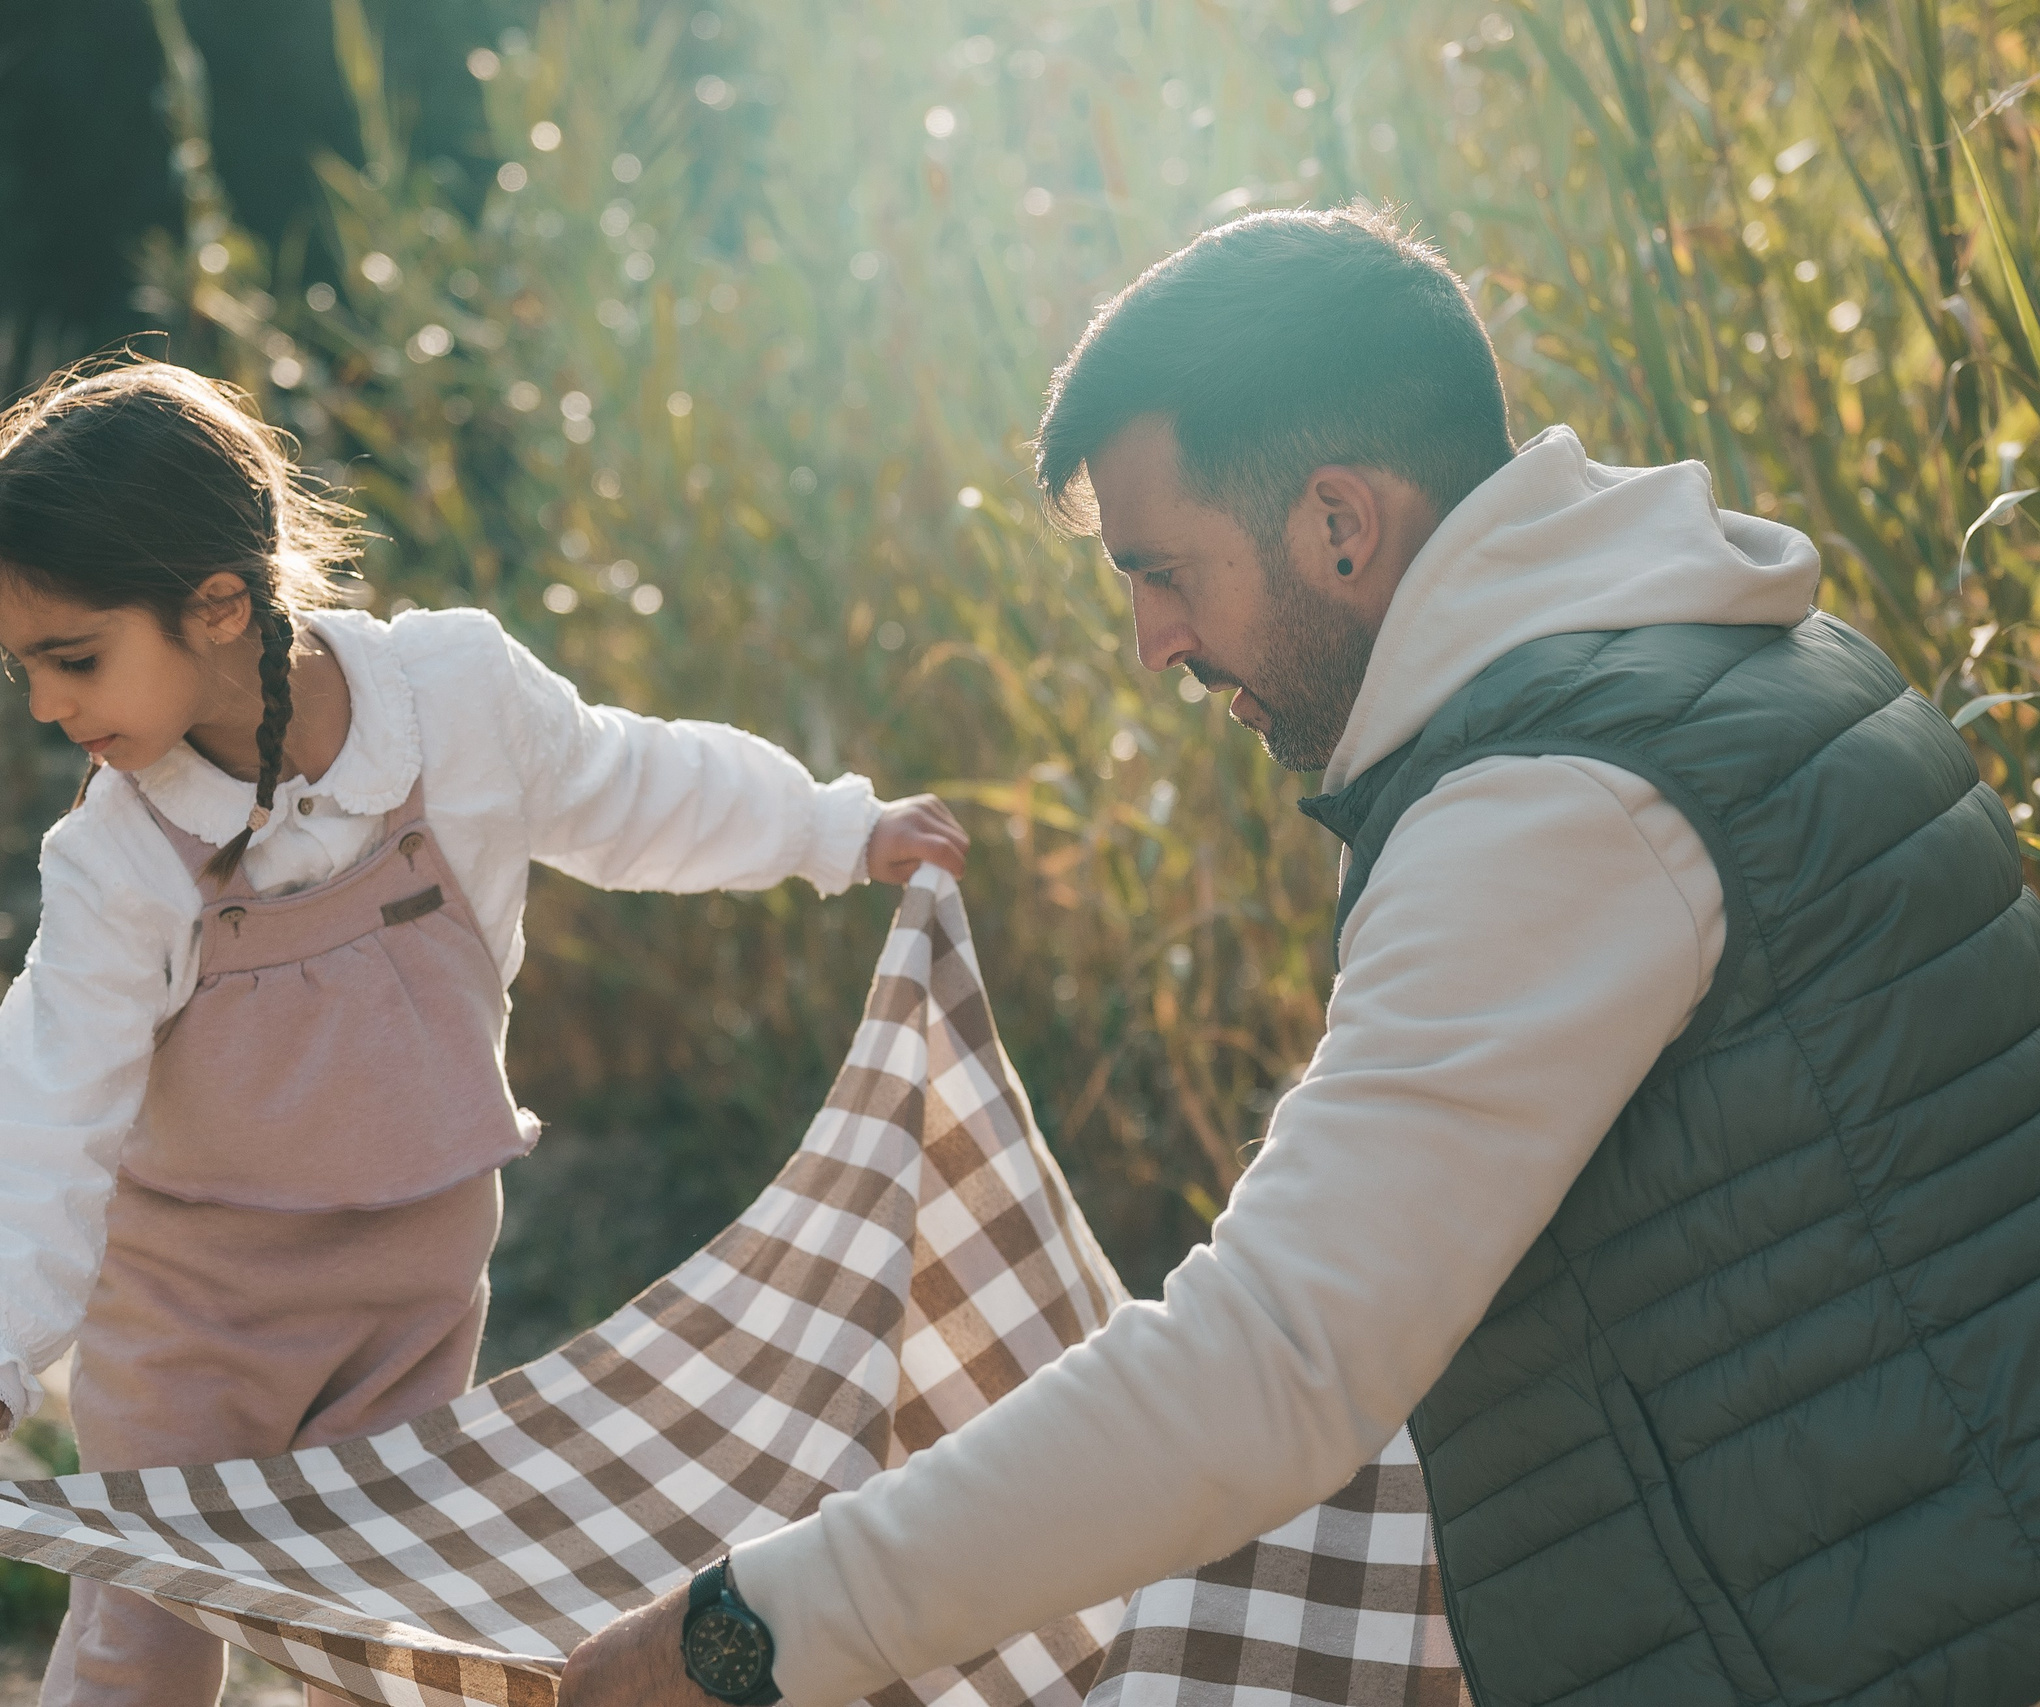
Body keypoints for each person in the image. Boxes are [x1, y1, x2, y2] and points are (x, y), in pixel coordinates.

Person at [564, 206, 2040, 1707]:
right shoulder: (1726, 660)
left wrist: (740, 1638)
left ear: (1339, 523)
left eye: (1166, 571)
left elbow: (1268, 1361)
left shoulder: (1558, 806)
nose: (1151, 641)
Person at [0, 360, 970, 1707]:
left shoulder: (454, 702)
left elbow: (633, 784)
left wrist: (834, 829)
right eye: (21, 662)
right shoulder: (119, 854)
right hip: (194, 1314)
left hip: (413, 1287)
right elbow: (43, 1105)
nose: (45, 703)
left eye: (73, 657)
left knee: (393, 1635)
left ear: (216, 605)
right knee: (145, 1634)